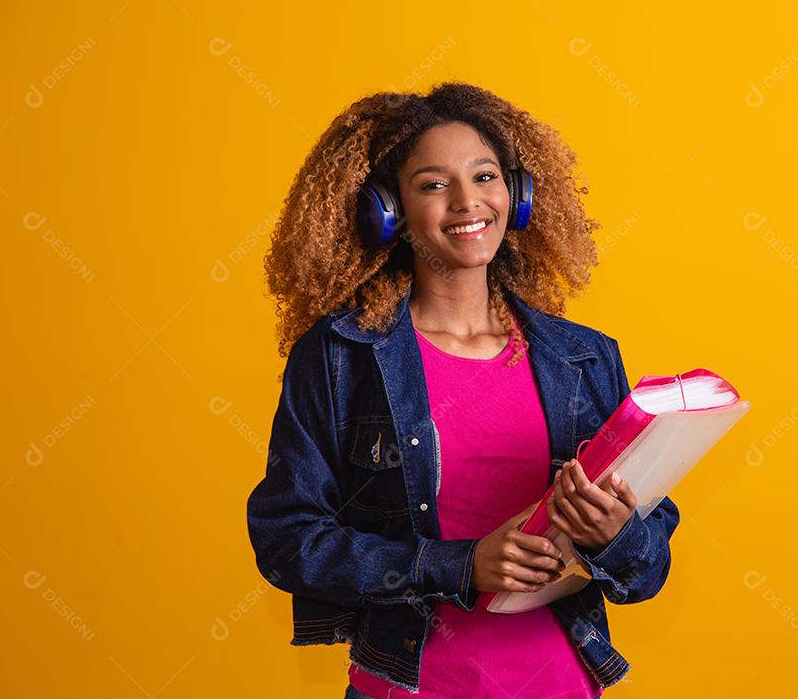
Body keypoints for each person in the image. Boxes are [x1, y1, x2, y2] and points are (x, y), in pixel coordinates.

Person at [246, 82, 680, 699]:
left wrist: (615, 536)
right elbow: (286, 539)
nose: (467, 202)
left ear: (518, 195)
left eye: (485, 176)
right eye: (432, 184)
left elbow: (648, 570)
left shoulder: (583, 357)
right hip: (409, 686)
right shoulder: (343, 356)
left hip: (560, 684)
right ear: (386, 210)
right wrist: (459, 565)